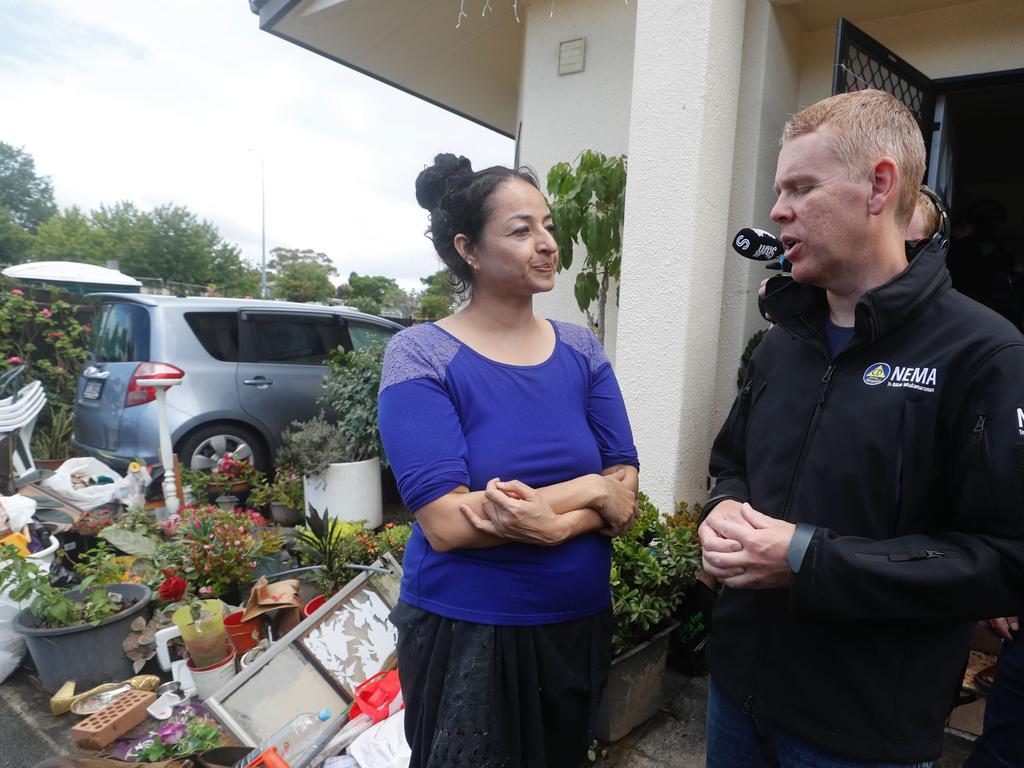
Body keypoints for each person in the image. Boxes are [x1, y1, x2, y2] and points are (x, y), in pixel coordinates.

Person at [699, 89, 1024, 767]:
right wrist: (722, 509)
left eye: (800, 187)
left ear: (879, 186)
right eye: (777, 188)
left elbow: (1001, 560)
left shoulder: (985, 354)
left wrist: (806, 559)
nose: (776, 210)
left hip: (859, 734)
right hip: (735, 696)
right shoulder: (783, 341)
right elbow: (732, 462)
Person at [377, 154, 640, 768]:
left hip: (577, 621)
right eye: (522, 231)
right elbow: (445, 523)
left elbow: (624, 488)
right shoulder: (420, 355)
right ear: (468, 248)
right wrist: (588, 491)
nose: (547, 244)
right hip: (469, 629)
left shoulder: (580, 347)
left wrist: (564, 520)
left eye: (547, 226)